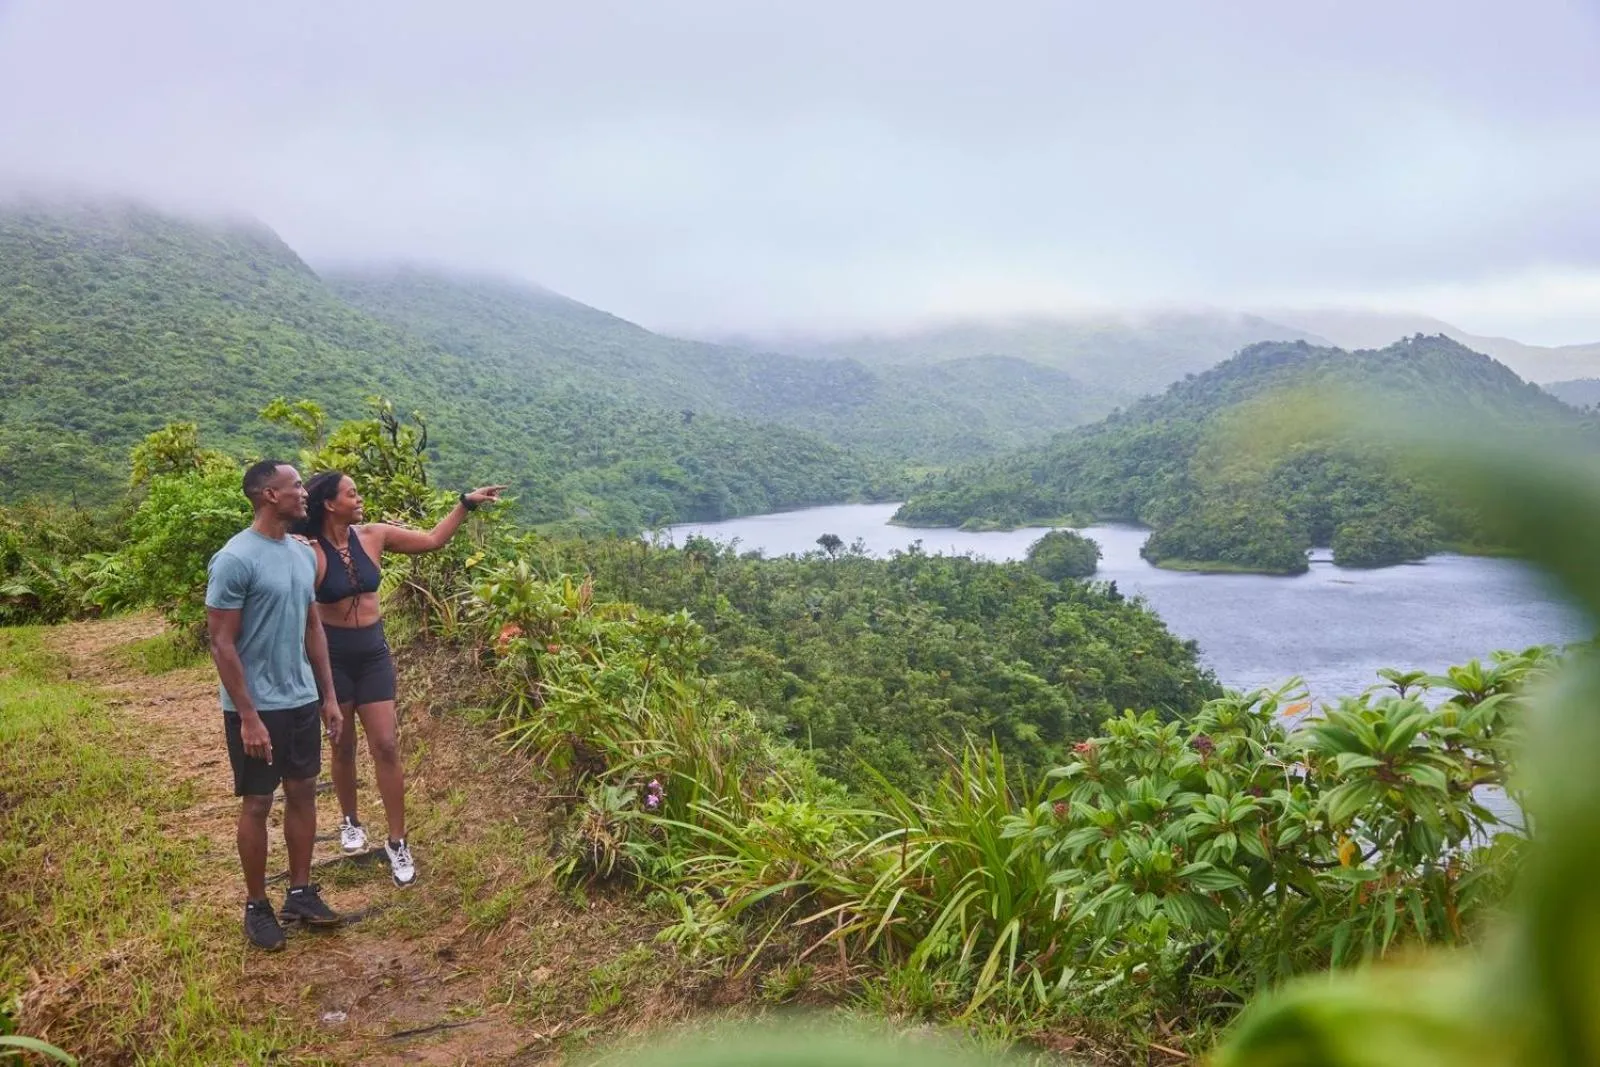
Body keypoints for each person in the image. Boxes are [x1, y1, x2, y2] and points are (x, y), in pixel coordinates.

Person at [294, 473, 505, 887]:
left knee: (386, 745)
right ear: (329, 504)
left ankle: (397, 841)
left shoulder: (373, 535)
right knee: (343, 743)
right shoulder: (308, 550)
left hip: (372, 653)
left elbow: (431, 541)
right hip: (332, 657)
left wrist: (465, 503)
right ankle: (350, 821)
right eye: (352, 493)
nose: (359, 499)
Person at [206, 459, 346, 952]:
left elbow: (313, 628)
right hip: (257, 706)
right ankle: (257, 905)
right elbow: (222, 643)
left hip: (302, 698)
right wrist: (247, 716)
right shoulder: (234, 559)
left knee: (304, 792)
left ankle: (301, 892)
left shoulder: (303, 554)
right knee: (259, 802)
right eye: (294, 487)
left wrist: (327, 696)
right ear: (269, 495)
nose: (304, 493)